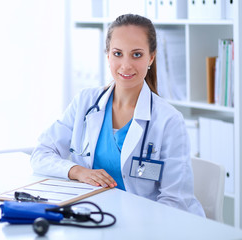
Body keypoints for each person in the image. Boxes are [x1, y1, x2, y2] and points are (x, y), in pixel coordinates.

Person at [30, 14, 205, 217]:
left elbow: (175, 202)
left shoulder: (169, 121)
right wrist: (78, 171)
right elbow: (41, 154)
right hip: (96, 217)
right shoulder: (85, 103)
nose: (126, 65)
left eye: (137, 55)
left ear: (151, 57)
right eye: (118, 53)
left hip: (149, 225)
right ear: (108, 56)